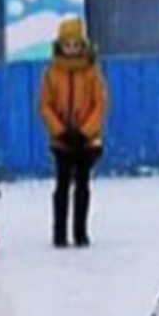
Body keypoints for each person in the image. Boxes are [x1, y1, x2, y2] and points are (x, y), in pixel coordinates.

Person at [39, 17, 108, 248]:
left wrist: (85, 131)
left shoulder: (91, 73)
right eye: (67, 45)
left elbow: (100, 103)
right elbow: (45, 104)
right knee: (61, 186)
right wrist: (59, 130)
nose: (71, 49)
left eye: (75, 45)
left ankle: (80, 232)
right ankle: (59, 233)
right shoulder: (52, 73)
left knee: (82, 185)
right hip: (62, 141)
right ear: (60, 46)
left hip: (86, 141)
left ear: (83, 46)